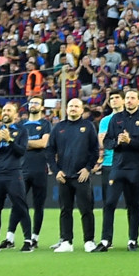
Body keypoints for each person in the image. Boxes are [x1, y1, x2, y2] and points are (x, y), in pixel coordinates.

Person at [101, 87, 139, 251]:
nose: (129, 100)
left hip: (136, 168)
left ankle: (132, 240)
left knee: (134, 204)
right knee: (109, 203)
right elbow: (107, 142)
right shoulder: (116, 119)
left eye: (132, 98)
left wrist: (130, 141)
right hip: (117, 167)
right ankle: (105, 240)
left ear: (138, 101)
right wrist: (117, 141)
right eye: (127, 98)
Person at [48, 96, 100, 253]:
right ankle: (66, 241)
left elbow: (95, 150)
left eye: (76, 106)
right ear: (66, 109)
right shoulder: (58, 128)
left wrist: (88, 168)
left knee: (86, 209)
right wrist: (56, 171)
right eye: (71, 106)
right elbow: (50, 150)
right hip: (64, 177)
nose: (73, 109)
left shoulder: (88, 126)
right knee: (65, 210)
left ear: (82, 110)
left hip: (81, 176)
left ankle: (89, 241)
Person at [0, 101, 33, 252]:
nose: (5, 113)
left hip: (14, 173)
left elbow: (21, 151)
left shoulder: (21, 130)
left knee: (20, 206)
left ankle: (27, 240)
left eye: (9, 110)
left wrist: (9, 140)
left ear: (15, 114)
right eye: (4, 110)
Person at [21, 99, 52, 248]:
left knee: (38, 205)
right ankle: (10, 236)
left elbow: (43, 143)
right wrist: (34, 143)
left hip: (40, 168)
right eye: (31, 102)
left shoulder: (46, 124)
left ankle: (35, 237)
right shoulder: (21, 125)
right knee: (19, 204)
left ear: (42, 107)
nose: (33, 105)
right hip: (22, 168)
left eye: (36, 103)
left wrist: (24, 143)